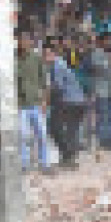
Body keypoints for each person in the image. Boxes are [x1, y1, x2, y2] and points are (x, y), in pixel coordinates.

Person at [44, 40, 87, 169]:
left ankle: (68, 156)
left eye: (48, 54)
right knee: (70, 131)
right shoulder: (59, 64)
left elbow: (58, 87)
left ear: (53, 54)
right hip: (77, 101)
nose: (46, 57)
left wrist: (46, 100)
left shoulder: (57, 66)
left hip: (69, 101)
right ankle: (69, 158)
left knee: (54, 127)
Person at [17, 30, 51, 173]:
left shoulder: (37, 58)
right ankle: (24, 165)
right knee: (23, 136)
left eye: (26, 40)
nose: (23, 43)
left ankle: (45, 164)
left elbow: (45, 82)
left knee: (42, 135)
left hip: (36, 103)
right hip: (20, 104)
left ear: (31, 42)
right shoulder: (13, 59)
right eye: (21, 40)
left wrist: (44, 102)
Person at [91, 32, 111, 150]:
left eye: (110, 40)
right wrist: (110, 62)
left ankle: (108, 140)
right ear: (101, 41)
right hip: (101, 89)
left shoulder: (110, 54)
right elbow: (98, 68)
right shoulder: (96, 53)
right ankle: (103, 141)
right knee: (103, 116)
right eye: (107, 40)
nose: (110, 43)